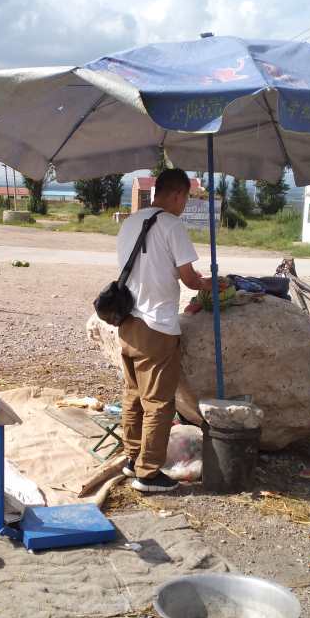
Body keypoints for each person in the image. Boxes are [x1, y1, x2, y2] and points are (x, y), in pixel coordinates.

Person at [116, 168, 213, 493]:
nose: (185, 204)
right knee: (158, 402)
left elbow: (148, 266)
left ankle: (132, 459)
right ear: (177, 195)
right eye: (186, 197)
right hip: (157, 325)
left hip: (127, 321)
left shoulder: (131, 222)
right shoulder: (172, 225)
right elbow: (188, 278)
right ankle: (148, 472)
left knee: (133, 396)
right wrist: (205, 284)